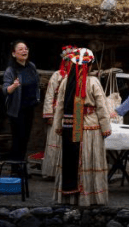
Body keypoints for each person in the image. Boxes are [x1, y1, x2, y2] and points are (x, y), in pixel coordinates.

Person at [52, 47, 112, 207]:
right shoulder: (93, 82)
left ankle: (70, 198)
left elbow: (59, 106)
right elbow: (102, 107)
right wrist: (106, 127)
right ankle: (89, 197)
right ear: (90, 65)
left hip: (70, 127)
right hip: (90, 128)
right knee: (87, 161)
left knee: (71, 161)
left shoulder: (66, 81)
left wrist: (58, 125)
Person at [41, 46, 77, 178]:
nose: (70, 63)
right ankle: (53, 172)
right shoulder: (57, 75)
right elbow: (49, 95)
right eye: (68, 60)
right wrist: (49, 115)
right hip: (57, 113)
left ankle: (68, 172)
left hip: (73, 113)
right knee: (55, 140)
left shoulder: (79, 76)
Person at [3, 40, 41, 161]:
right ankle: (15, 166)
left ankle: (21, 166)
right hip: (17, 110)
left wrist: (37, 97)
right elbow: (5, 90)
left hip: (30, 107)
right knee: (18, 139)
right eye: (20, 49)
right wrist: (14, 86)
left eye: (26, 49)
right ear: (14, 54)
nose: (24, 51)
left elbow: (37, 83)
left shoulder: (31, 67)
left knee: (25, 138)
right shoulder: (11, 70)